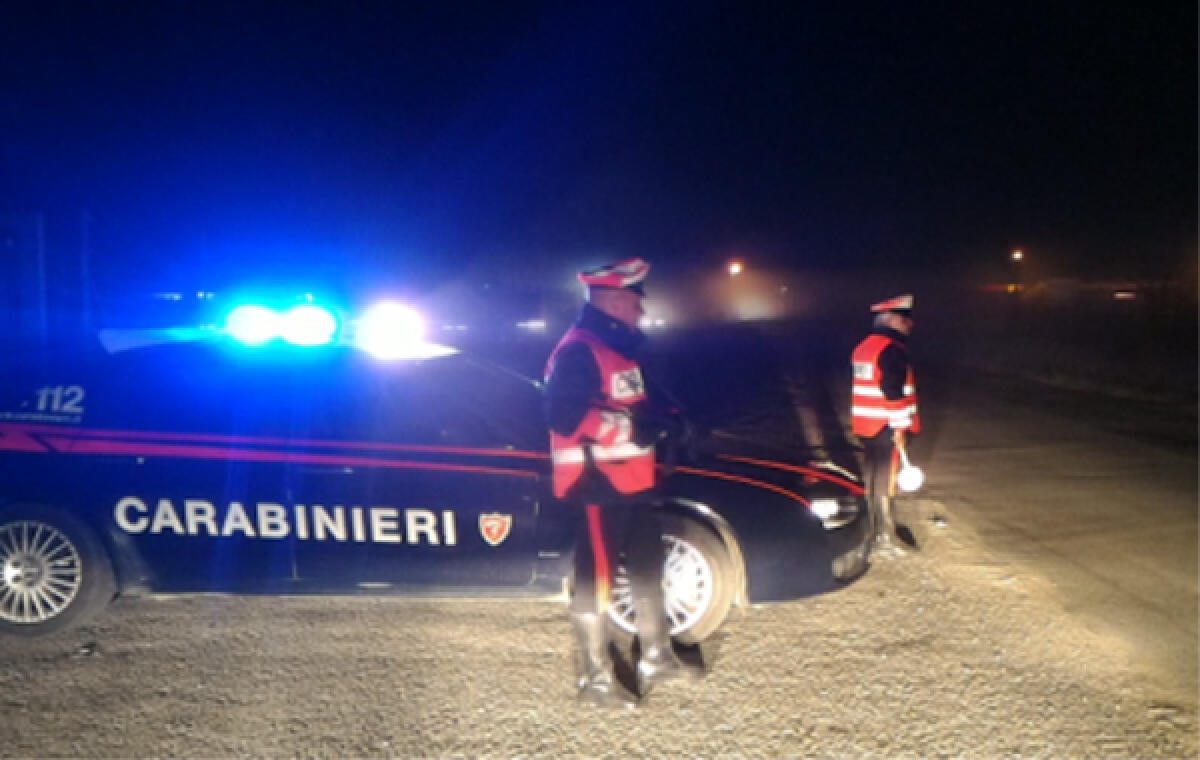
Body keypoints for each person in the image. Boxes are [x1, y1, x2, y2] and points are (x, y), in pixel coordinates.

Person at [543, 257, 700, 707]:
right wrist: (634, 430)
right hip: (597, 485)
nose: (641, 311)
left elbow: (629, 401)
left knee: (648, 566)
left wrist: (670, 420)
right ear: (612, 300)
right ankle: (593, 679)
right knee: (597, 580)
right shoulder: (577, 350)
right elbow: (563, 416)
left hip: (631, 481)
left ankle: (656, 655)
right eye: (635, 302)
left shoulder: (615, 348)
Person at [850, 293, 920, 556]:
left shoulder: (864, 347)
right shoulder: (892, 349)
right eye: (904, 320)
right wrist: (900, 424)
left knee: (872, 474)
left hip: (867, 424)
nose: (909, 325)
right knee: (886, 478)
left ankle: (871, 527)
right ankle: (884, 535)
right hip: (887, 426)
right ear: (890, 320)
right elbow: (892, 389)